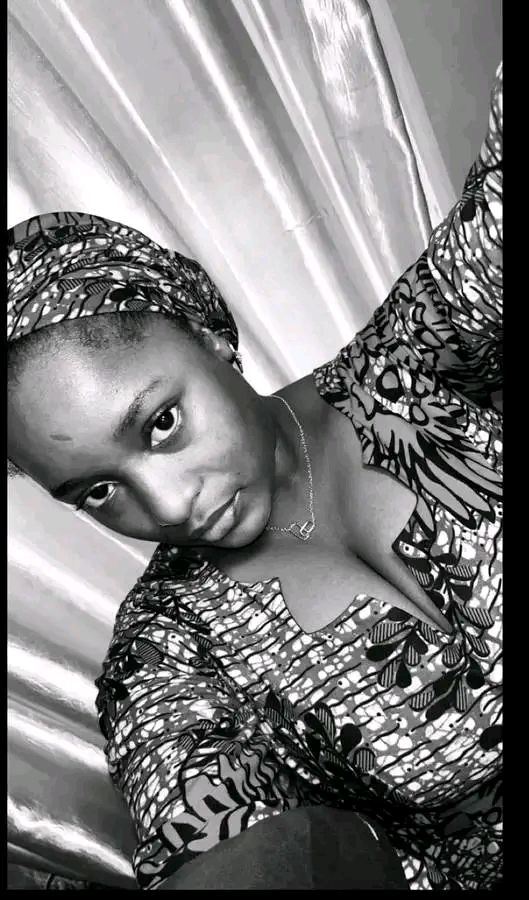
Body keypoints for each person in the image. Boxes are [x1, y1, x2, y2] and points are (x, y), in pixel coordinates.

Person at [7, 64, 502, 891]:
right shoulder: (170, 657)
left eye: (161, 424)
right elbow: (217, 848)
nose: (169, 505)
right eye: (96, 490)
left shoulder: (419, 360)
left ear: (209, 338)